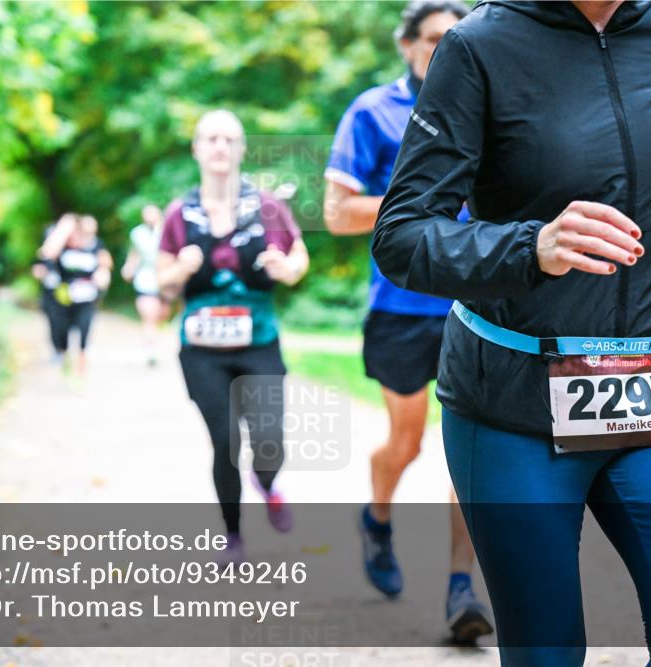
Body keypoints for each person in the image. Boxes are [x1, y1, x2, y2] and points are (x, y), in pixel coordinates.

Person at [373, 1, 651, 665]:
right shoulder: (477, 46)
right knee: (545, 652)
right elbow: (402, 235)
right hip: (512, 407)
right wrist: (533, 246)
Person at [323, 0, 492, 643]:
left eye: (456, 39)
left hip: (475, 304)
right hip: (400, 308)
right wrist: (424, 204)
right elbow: (337, 214)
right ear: (406, 45)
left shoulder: (489, 106)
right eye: (431, 40)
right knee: (409, 441)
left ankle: (460, 588)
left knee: (468, 452)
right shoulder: (373, 112)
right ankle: (377, 516)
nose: (442, 50)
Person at [157, 109, 310, 563]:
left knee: (268, 441)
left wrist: (288, 269)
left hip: (258, 341)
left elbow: (299, 258)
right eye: (211, 139)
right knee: (225, 440)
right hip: (202, 350)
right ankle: (233, 536)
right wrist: (178, 270)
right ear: (197, 149)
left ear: (241, 149)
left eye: (229, 139)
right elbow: (160, 281)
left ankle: (268, 483)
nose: (220, 147)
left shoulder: (268, 208)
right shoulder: (179, 214)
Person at [39, 213, 113, 376]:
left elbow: (105, 264)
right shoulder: (61, 246)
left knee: (84, 334)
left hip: (87, 298)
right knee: (61, 333)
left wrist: (103, 274)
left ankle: (81, 373)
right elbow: (46, 253)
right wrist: (64, 227)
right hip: (63, 298)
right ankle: (65, 360)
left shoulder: (95, 245)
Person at [121, 204, 171, 366]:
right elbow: (134, 254)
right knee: (149, 315)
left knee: (162, 313)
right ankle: (151, 350)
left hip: (166, 278)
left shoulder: (167, 229)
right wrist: (129, 268)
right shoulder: (137, 234)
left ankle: (156, 340)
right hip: (146, 278)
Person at [32, 222, 67, 364]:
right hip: (49, 292)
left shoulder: (68, 254)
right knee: (54, 322)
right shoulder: (43, 255)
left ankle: (65, 349)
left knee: (65, 322)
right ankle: (57, 350)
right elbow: (36, 271)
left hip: (66, 292)